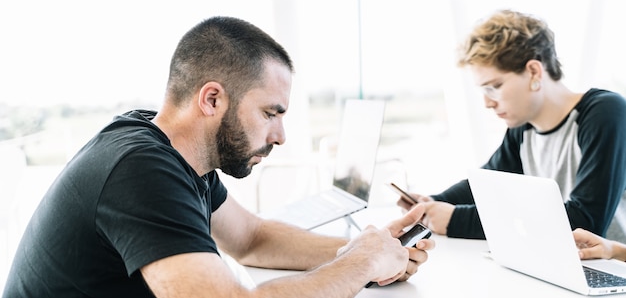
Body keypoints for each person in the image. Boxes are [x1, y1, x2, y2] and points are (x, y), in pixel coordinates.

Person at [2, 17, 434, 298]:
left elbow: (251, 239)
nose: (280, 136)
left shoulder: (174, 151)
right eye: (270, 113)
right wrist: (361, 264)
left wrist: (366, 249)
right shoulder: (138, 170)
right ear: (212, 99)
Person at [398, 9, 626, 240]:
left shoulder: (605, 113)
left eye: (494, 86)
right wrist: (434, 203)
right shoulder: (524, 127)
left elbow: (585, 223)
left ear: (534, 71)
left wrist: (457, 220)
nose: (487, 102)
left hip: (609, 270)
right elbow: (484, 184)